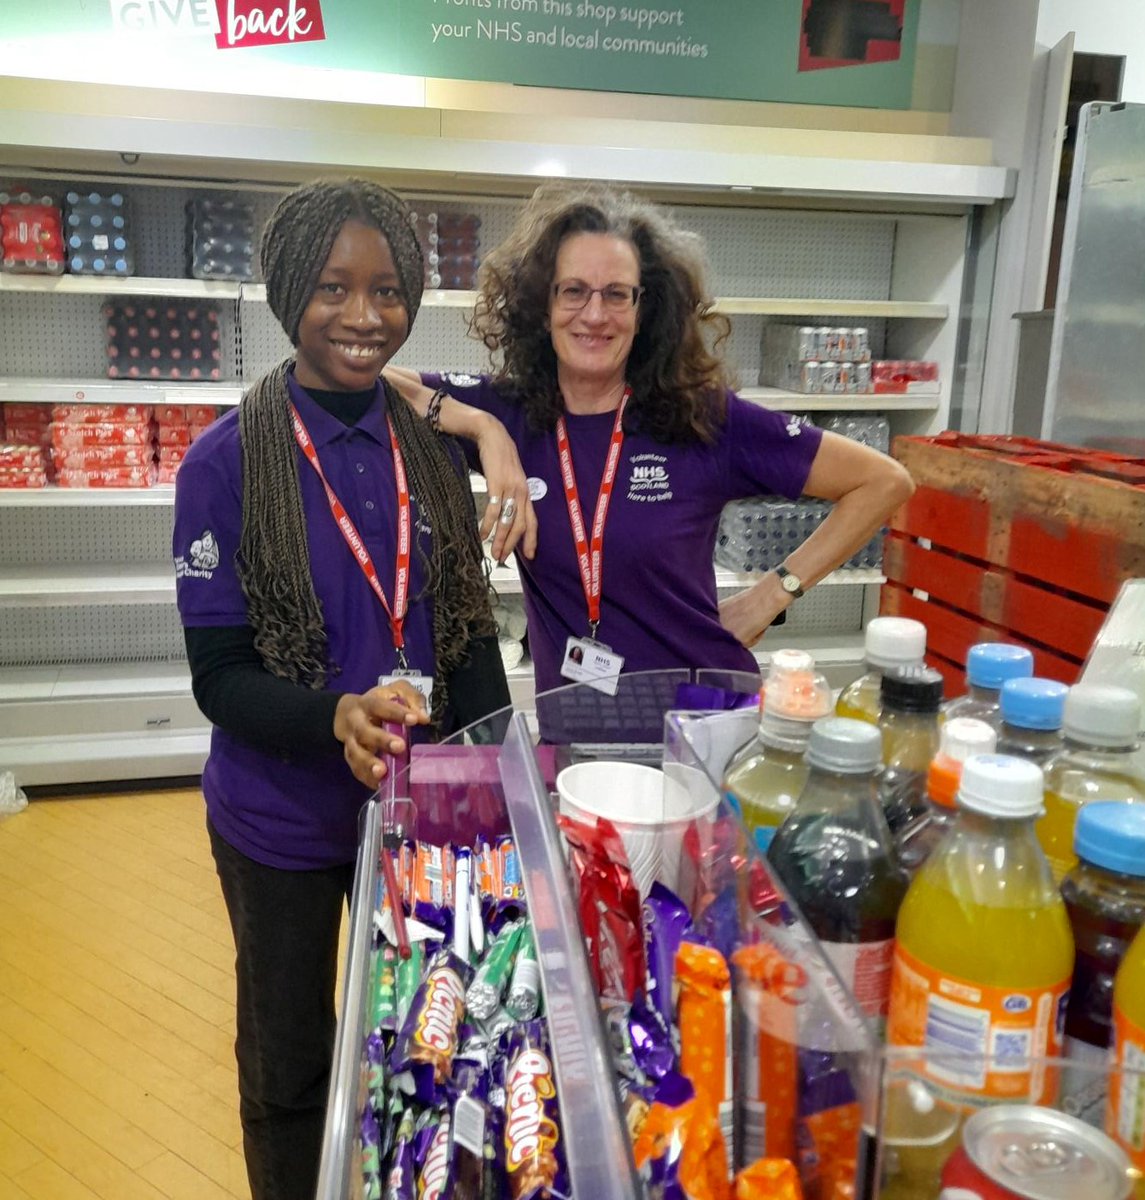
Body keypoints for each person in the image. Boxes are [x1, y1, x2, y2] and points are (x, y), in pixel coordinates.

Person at [172, 178, 517, 1200]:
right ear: (288, 293)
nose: (363, 316)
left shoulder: (431, 446)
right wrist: (331, 716)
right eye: (332, 287)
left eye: (386, 290)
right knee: (287, 1068)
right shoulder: (225, 462)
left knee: (421, 1048)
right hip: (277, 823)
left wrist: (497, 775)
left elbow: (462, 630)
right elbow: (219, 678)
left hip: (417, 826)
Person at [384, 182, 915, 695]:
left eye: (617, 294)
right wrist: (487, 430)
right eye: (573, 291)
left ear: (646, 309)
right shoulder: (513, 410)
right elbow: (377, 381)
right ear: (541, 305)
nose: (594, 314)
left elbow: (883, 481)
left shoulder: (701, 419)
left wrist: (771, 595)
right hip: (577, 738)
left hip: (700, 720)